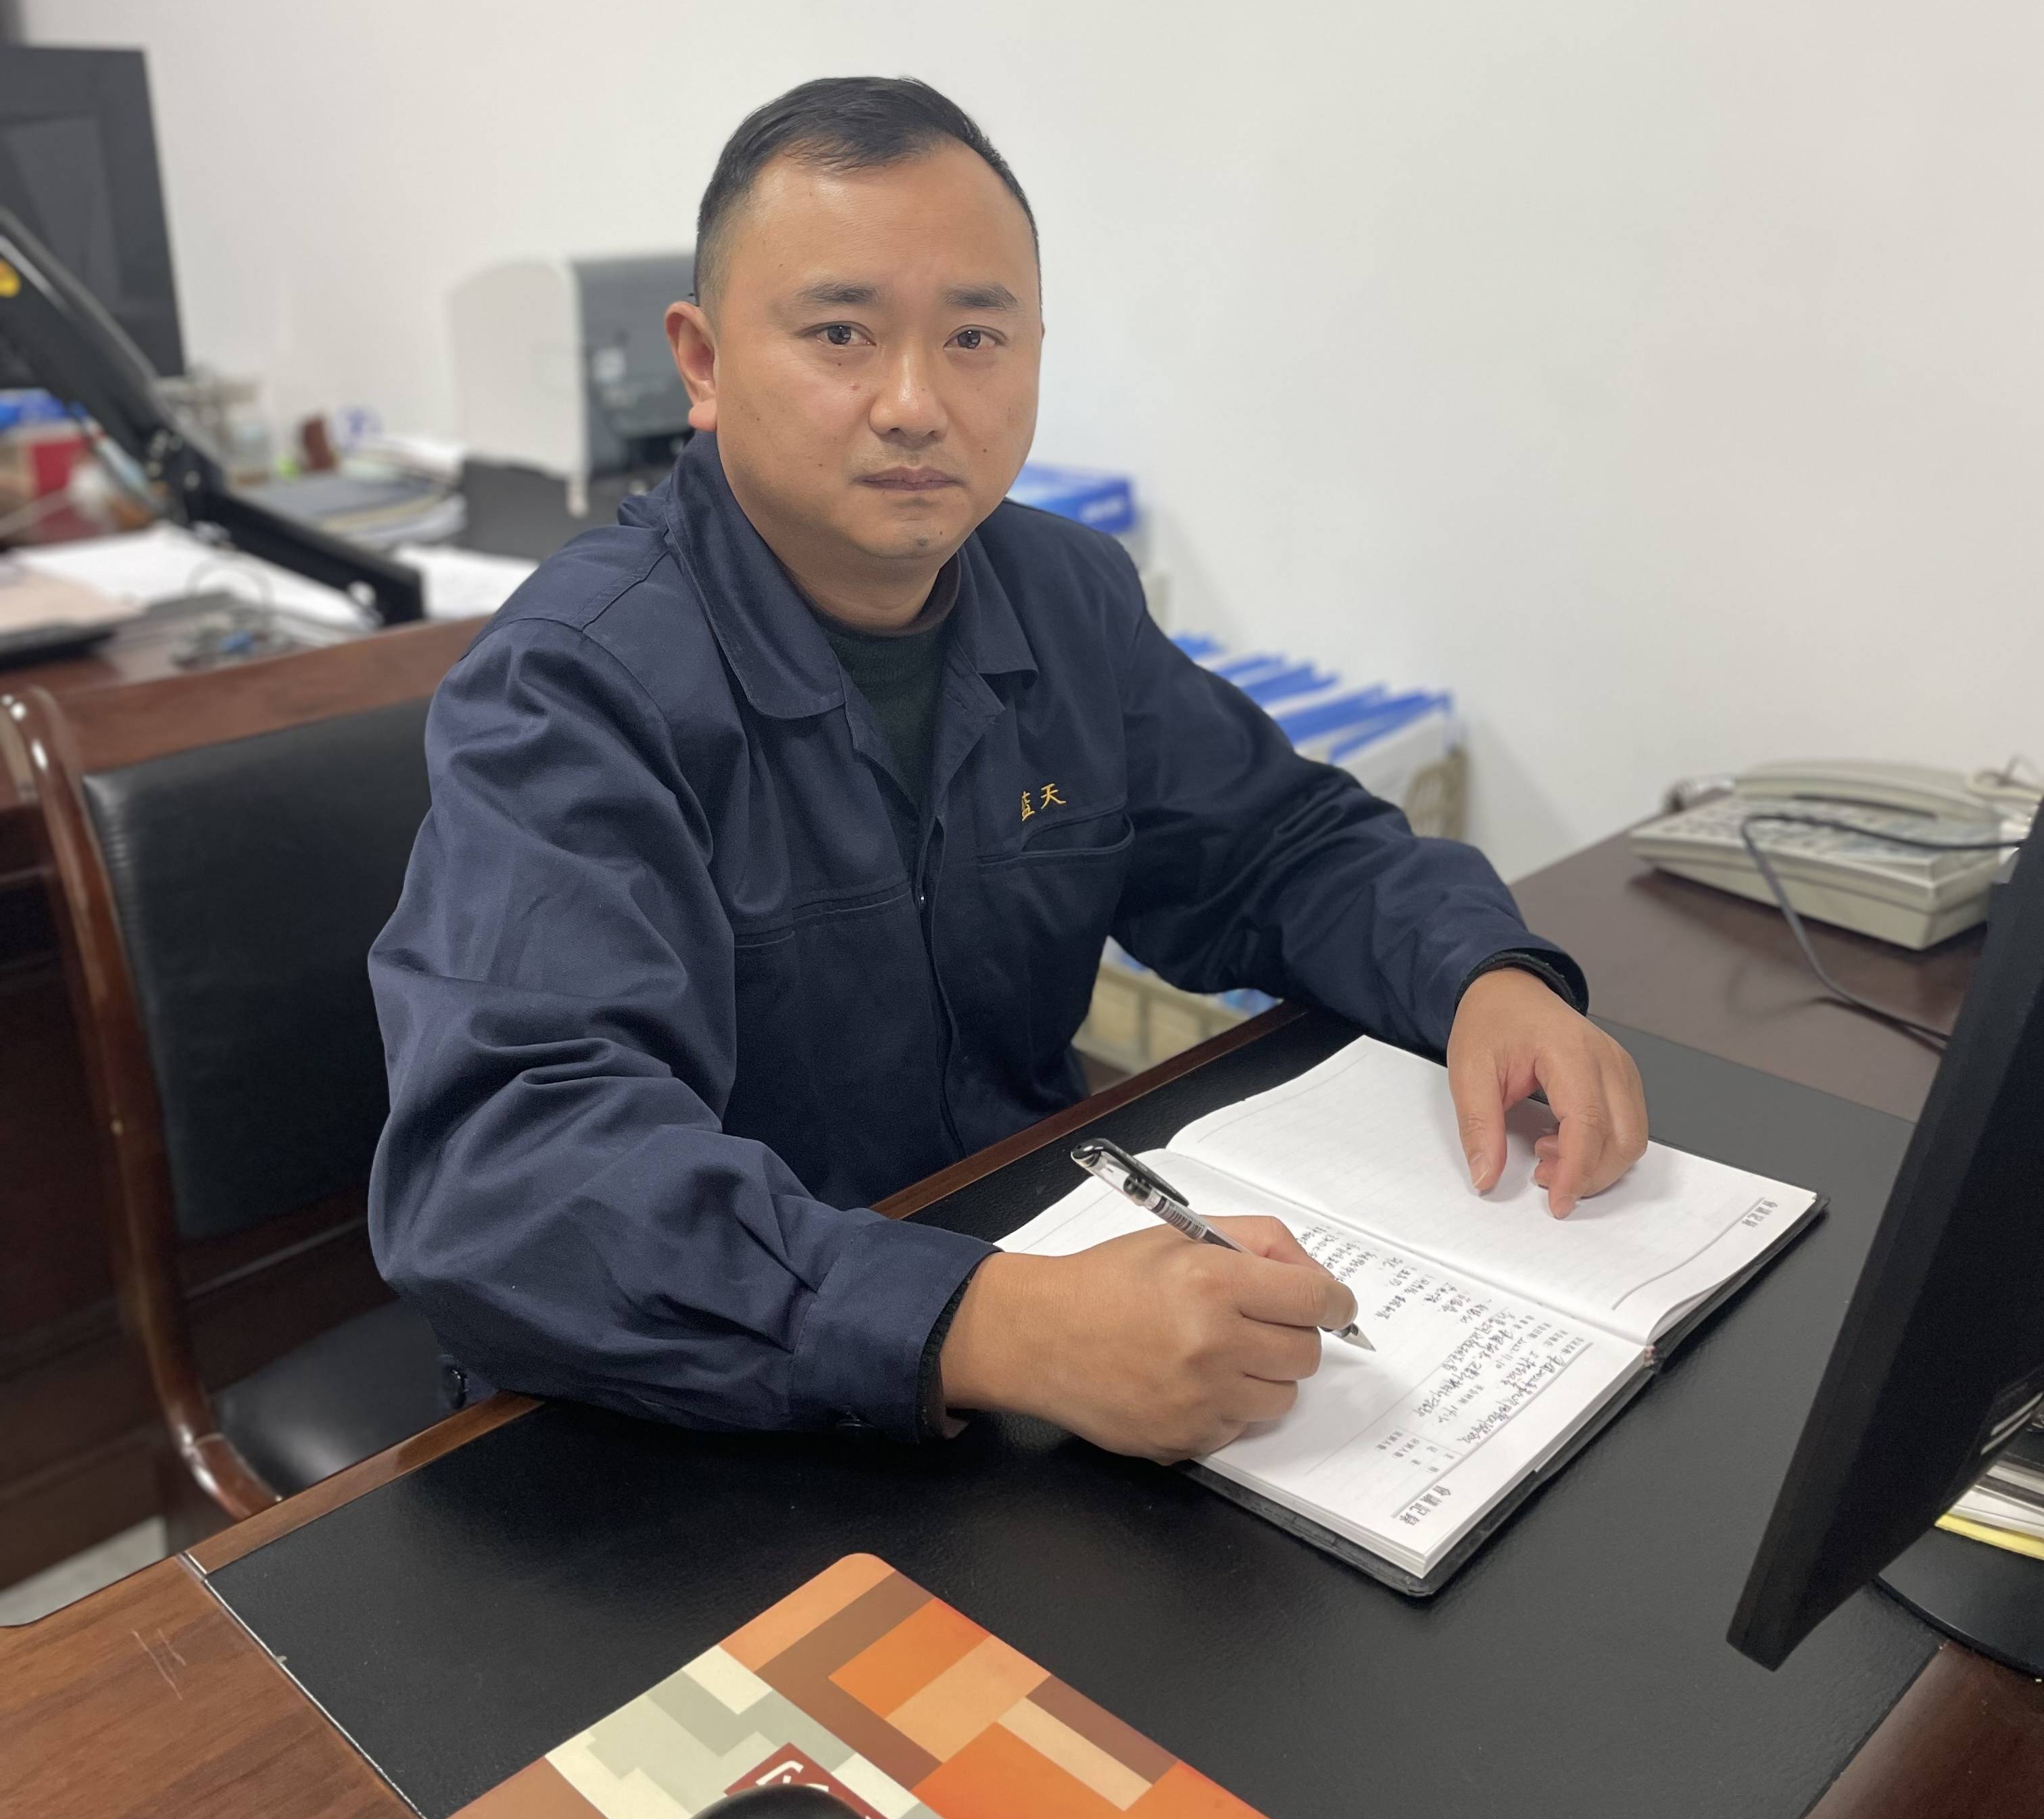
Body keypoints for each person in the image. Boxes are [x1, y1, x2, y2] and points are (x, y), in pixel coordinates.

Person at [369, 77, 1649, 1461]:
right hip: (700, 1408)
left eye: (975, 336)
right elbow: (509, 1180)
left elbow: (1280, 850)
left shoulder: (1064, 596)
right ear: (703, 362)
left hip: (1033, 1299)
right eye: (841, 335)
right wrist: (989, 1325)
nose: (916, 404)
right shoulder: (574, 681)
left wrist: (1483, 976)